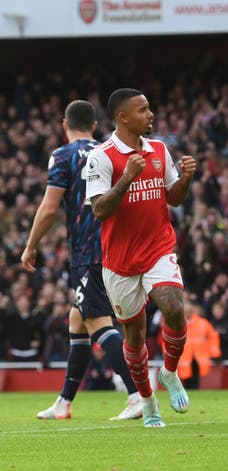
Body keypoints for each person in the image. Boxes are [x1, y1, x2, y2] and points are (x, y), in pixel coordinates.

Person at [20, 100, 143, 421]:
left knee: (98, 323)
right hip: (116, 246)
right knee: (78, 320)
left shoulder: (63, 156)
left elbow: (49, 209)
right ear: (94, 124)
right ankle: (64, 402)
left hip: (88, 252)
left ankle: (138, 394)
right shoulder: (109, 151)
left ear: (65, 123)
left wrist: (31, 245)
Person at [86, 88, 196, 428]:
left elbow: (173, 199)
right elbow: (100, 209)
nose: (151, 115)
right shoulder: (102, 157)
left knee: (175, 309)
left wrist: (186, 179)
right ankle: (148, 403)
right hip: (119, 262)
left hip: (158, 249)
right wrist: (127, 178)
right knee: (133, 336)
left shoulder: (159, 149)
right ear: (123, 117)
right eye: (143, 110)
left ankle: (170, 372)